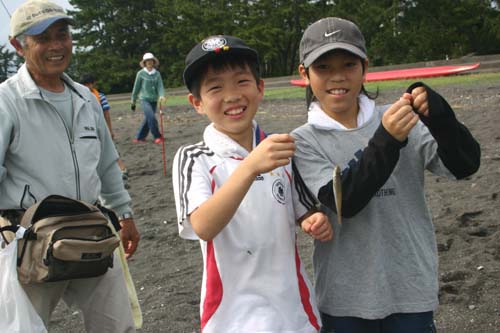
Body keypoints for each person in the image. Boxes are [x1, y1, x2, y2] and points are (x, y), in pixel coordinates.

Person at [291, 17, 481, 333]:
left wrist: (442, 118)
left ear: (365, 67)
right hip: (344, 298)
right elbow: (344, 201)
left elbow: (465, 166)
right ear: (304, 74)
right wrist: (388, 138)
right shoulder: (302, 141)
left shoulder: (402, 118)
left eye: (348, 64)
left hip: (410, 288)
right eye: (323, 67)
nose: (337, 76)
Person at [172, 35, 333, 333]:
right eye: (216, 87)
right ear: (197, 103)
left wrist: (314, 219)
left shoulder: (279, 148)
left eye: (241, 81)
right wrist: (249, 167)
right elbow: (202, 226)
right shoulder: (195, 158)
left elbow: (301, 209)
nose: (232, 95)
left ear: (260, 88)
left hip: (294, 312)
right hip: (231, 318)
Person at [0, 1, 140, 332]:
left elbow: (107, 164)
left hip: (91, 231)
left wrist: (125, 214)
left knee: (119, 326)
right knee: (24, 328)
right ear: (18, 45)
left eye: (62, 34)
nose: (56, 46)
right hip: (30, 240)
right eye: (42, 38)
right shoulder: (7, 101)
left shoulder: (86, 99)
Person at [81, 73, 129, 181]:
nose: (87, 87)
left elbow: (106, 114)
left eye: (89, 84)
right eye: (85, 84)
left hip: (101, 127)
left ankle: (122, 169)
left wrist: (110, 130)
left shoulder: (100, 97)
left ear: (93, 84)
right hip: (88, 129)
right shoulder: (79, 96)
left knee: (111, 149)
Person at [130, 52, 166, 144]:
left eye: (151, 60)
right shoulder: (140, 73)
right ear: (144, 63)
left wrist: (162, 95)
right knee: (151, 117)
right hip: (144, 99)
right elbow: (136, 88)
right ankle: (157, 136)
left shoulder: (157, 74)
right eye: (147, 61)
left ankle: (140, 137)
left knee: (148, 119)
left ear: (153, 62)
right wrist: (133, 101)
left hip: (154, 100)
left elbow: (160, 86)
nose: (149, 62)